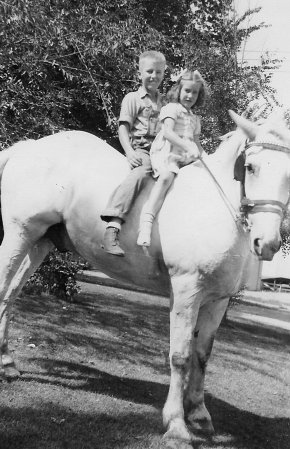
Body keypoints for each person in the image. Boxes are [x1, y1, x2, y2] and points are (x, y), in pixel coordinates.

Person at [100, 50, 166, 256]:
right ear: (139, 73)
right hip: (143, 150)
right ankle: (113, 225)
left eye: (158, 72)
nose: (154, 76)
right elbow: (123, 128)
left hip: (163, 151)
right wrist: (129, 152)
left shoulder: (165, 102)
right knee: (141, 173)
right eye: (149, 71)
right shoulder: (133, 98)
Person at [137, 69, 208, 247]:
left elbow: (197, 143)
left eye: (195, 92)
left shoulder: (195, 118)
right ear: (179, 90)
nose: (190, 95)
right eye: (187, 90)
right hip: (167, 153)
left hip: (186, 158)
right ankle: (146, 221)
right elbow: (168, 133)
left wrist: (206, 158)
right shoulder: (171, 108)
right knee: (167, 176)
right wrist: (187, 146)